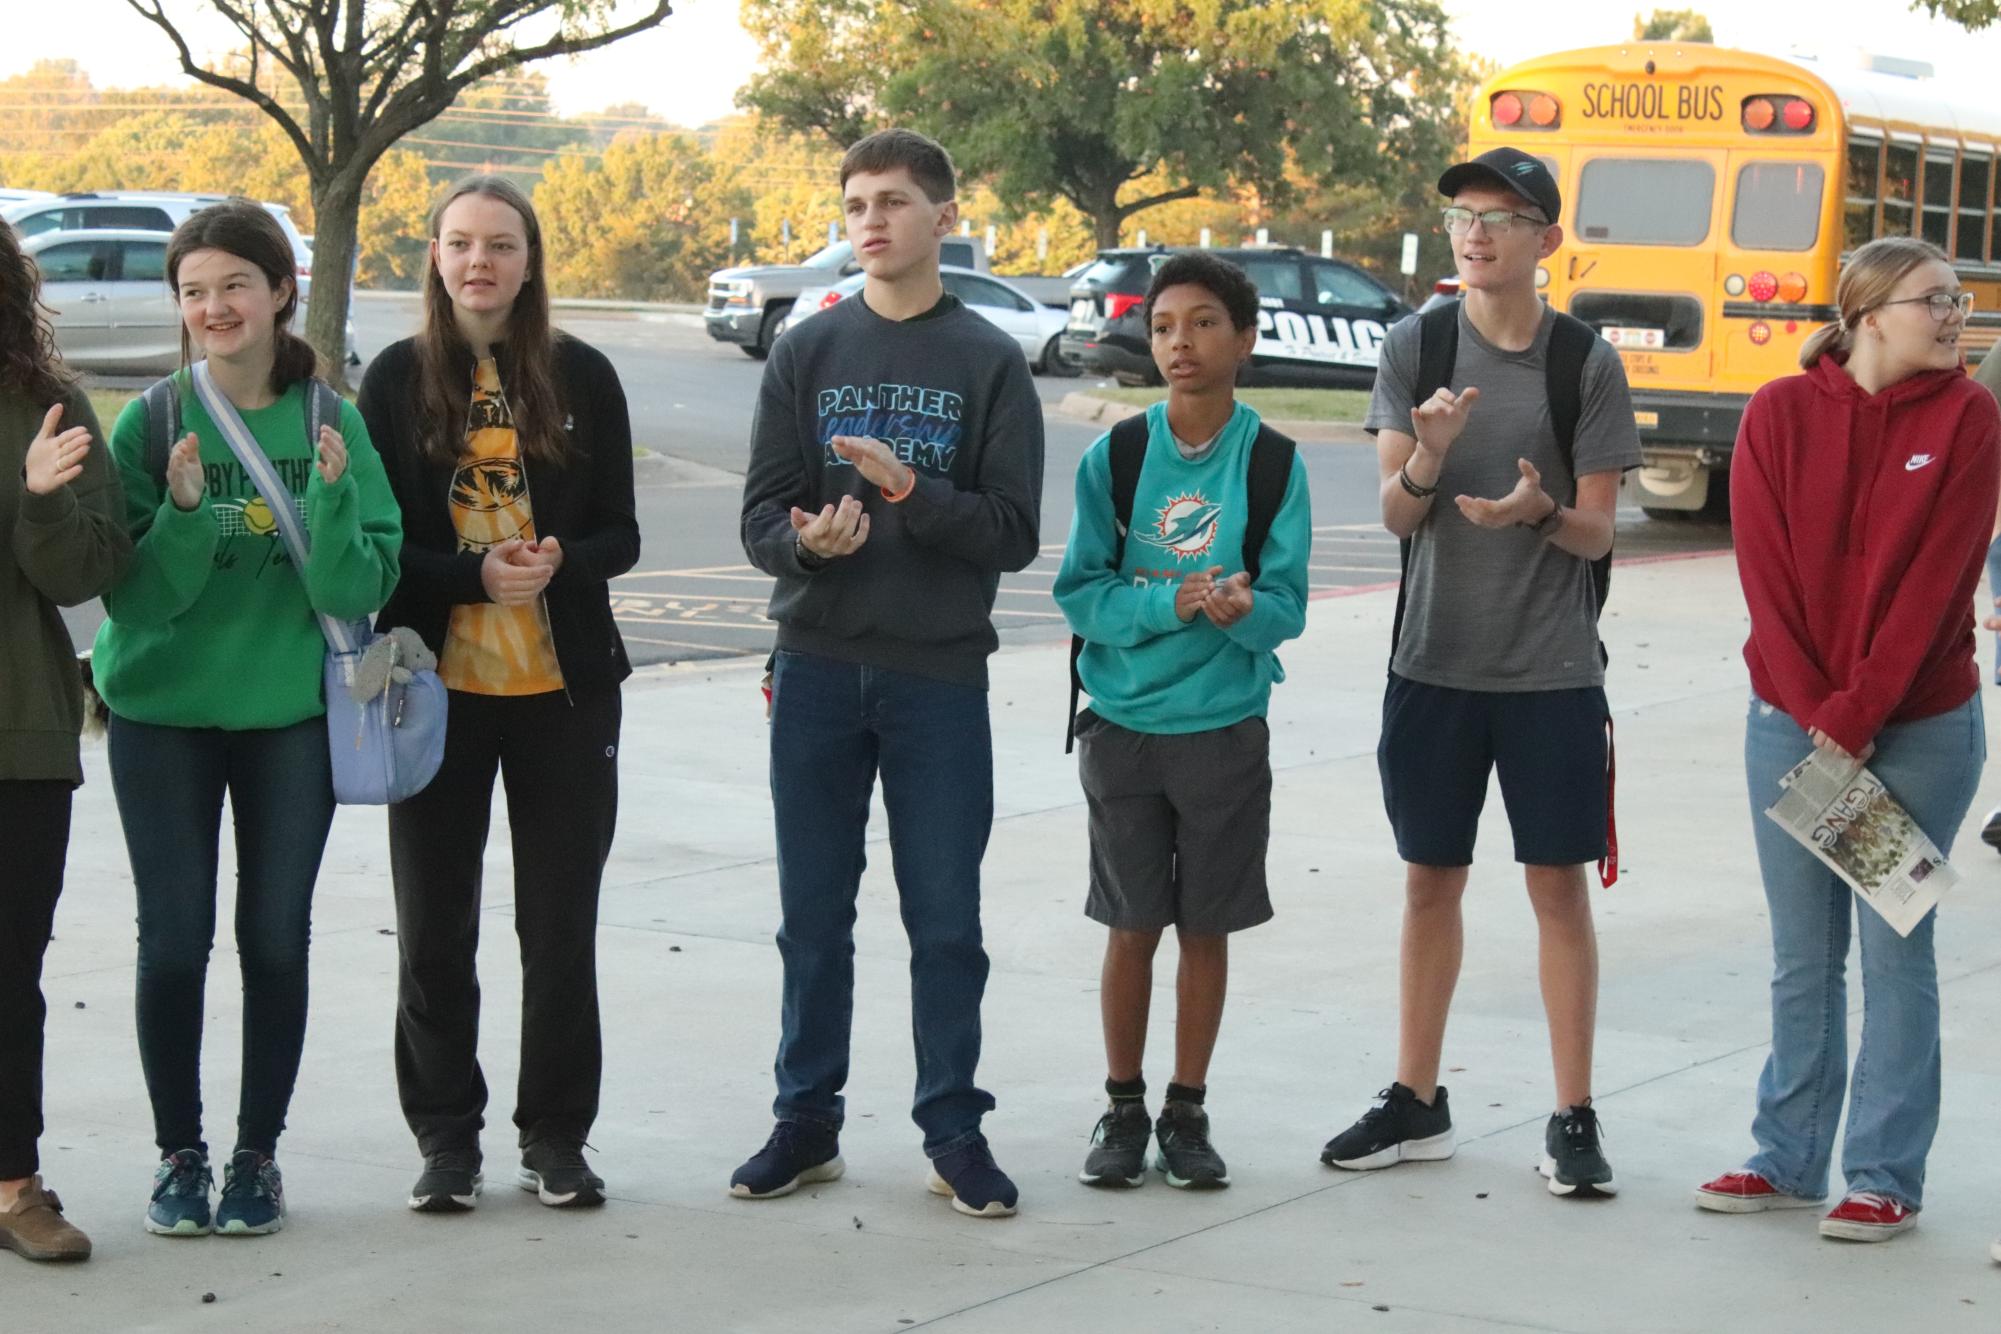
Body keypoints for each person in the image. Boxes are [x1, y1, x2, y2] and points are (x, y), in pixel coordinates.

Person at [733, 128, 1044, 1218]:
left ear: (943, 220)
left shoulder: (988, 361)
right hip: (816, 667)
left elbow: (1011, 533)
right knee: (812, 915)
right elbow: (760, 513)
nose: (872, 220)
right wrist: (803, 543)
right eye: (857, 202)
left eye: (896, 202)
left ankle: (952, 1126)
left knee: (944, 920)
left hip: (936, 679)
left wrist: (912, 489)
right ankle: (804, 1118)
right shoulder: (806, 352)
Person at [1321, 148, 1640, 1198]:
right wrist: (1427, 452)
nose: (1476, 232)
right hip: (1432, 663)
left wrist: (1537, 510)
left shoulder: (1582, 361)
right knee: (1430, 881)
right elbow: (1395, 513)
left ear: (1546, 237)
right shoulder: (1415, 346)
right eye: (1462, 214)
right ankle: (1418, 1098)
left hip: (1549, 672)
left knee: (1557, 887)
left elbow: (1598, 534)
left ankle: (1574, 1113)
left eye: (1501, 216)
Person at [94, 201, 401, 1237]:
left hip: (287, 718)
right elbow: (133, 600)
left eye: (234, 285)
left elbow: (364, 581)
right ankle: (179, 1152)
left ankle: (256, 1156)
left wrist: (333, 501)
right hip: (163, 714)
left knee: (274, 937)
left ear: (278, 292)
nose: (214, 306)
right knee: (173, 940)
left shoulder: (332, 419)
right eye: (194, 291)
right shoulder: (150, 421)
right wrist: (181, 515)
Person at [1694, 237, 1998, 1247]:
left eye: (1959, 301)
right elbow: (1766, 579)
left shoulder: (1969, 418)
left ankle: (1883, 1174)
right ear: (1867, 312)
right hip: (1790, 721)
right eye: (1935, 301)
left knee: (1892, 947)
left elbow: (1935, 589)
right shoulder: (1779, 415)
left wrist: (1856, 717)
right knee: (1801, 954)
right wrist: (1816, 713)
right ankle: (1786, 1158)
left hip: (1916, 732)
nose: (1956, 317)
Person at [358, 176, 638, 1214]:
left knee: (559, 923)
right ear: (434, 256)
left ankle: (556, 1135)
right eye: (461, 243)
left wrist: (561, 558)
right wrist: (468, 578)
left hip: (564, 694)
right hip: (437, 693)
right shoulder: (393, 380)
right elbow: (379, 551)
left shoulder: (580, 374)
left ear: (530, 260)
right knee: (434, 924)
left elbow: (623, 531)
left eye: (502, 245)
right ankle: (446, 1137)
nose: (481, 262)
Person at [1054, 253, 1309, 1191]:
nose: (1179, 343)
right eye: (1162, 325)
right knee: (1130, 924)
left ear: (1242, 339)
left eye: (1203, 323)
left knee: (1206, 927)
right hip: (1123, 726)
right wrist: (1169, 605)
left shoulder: (1274, 461)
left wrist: (1247, 610)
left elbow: (1287, 603)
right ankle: (1121, 1108)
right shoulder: (1115, 456)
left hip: (1223, 732)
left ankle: (1185, 1110)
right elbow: (1079, 594)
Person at [0, 223, 131, 1262]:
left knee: (7, 972)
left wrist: (41, 501)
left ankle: (13, 1184)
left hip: (18, 731)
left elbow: (89, 568)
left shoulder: (49, 406)